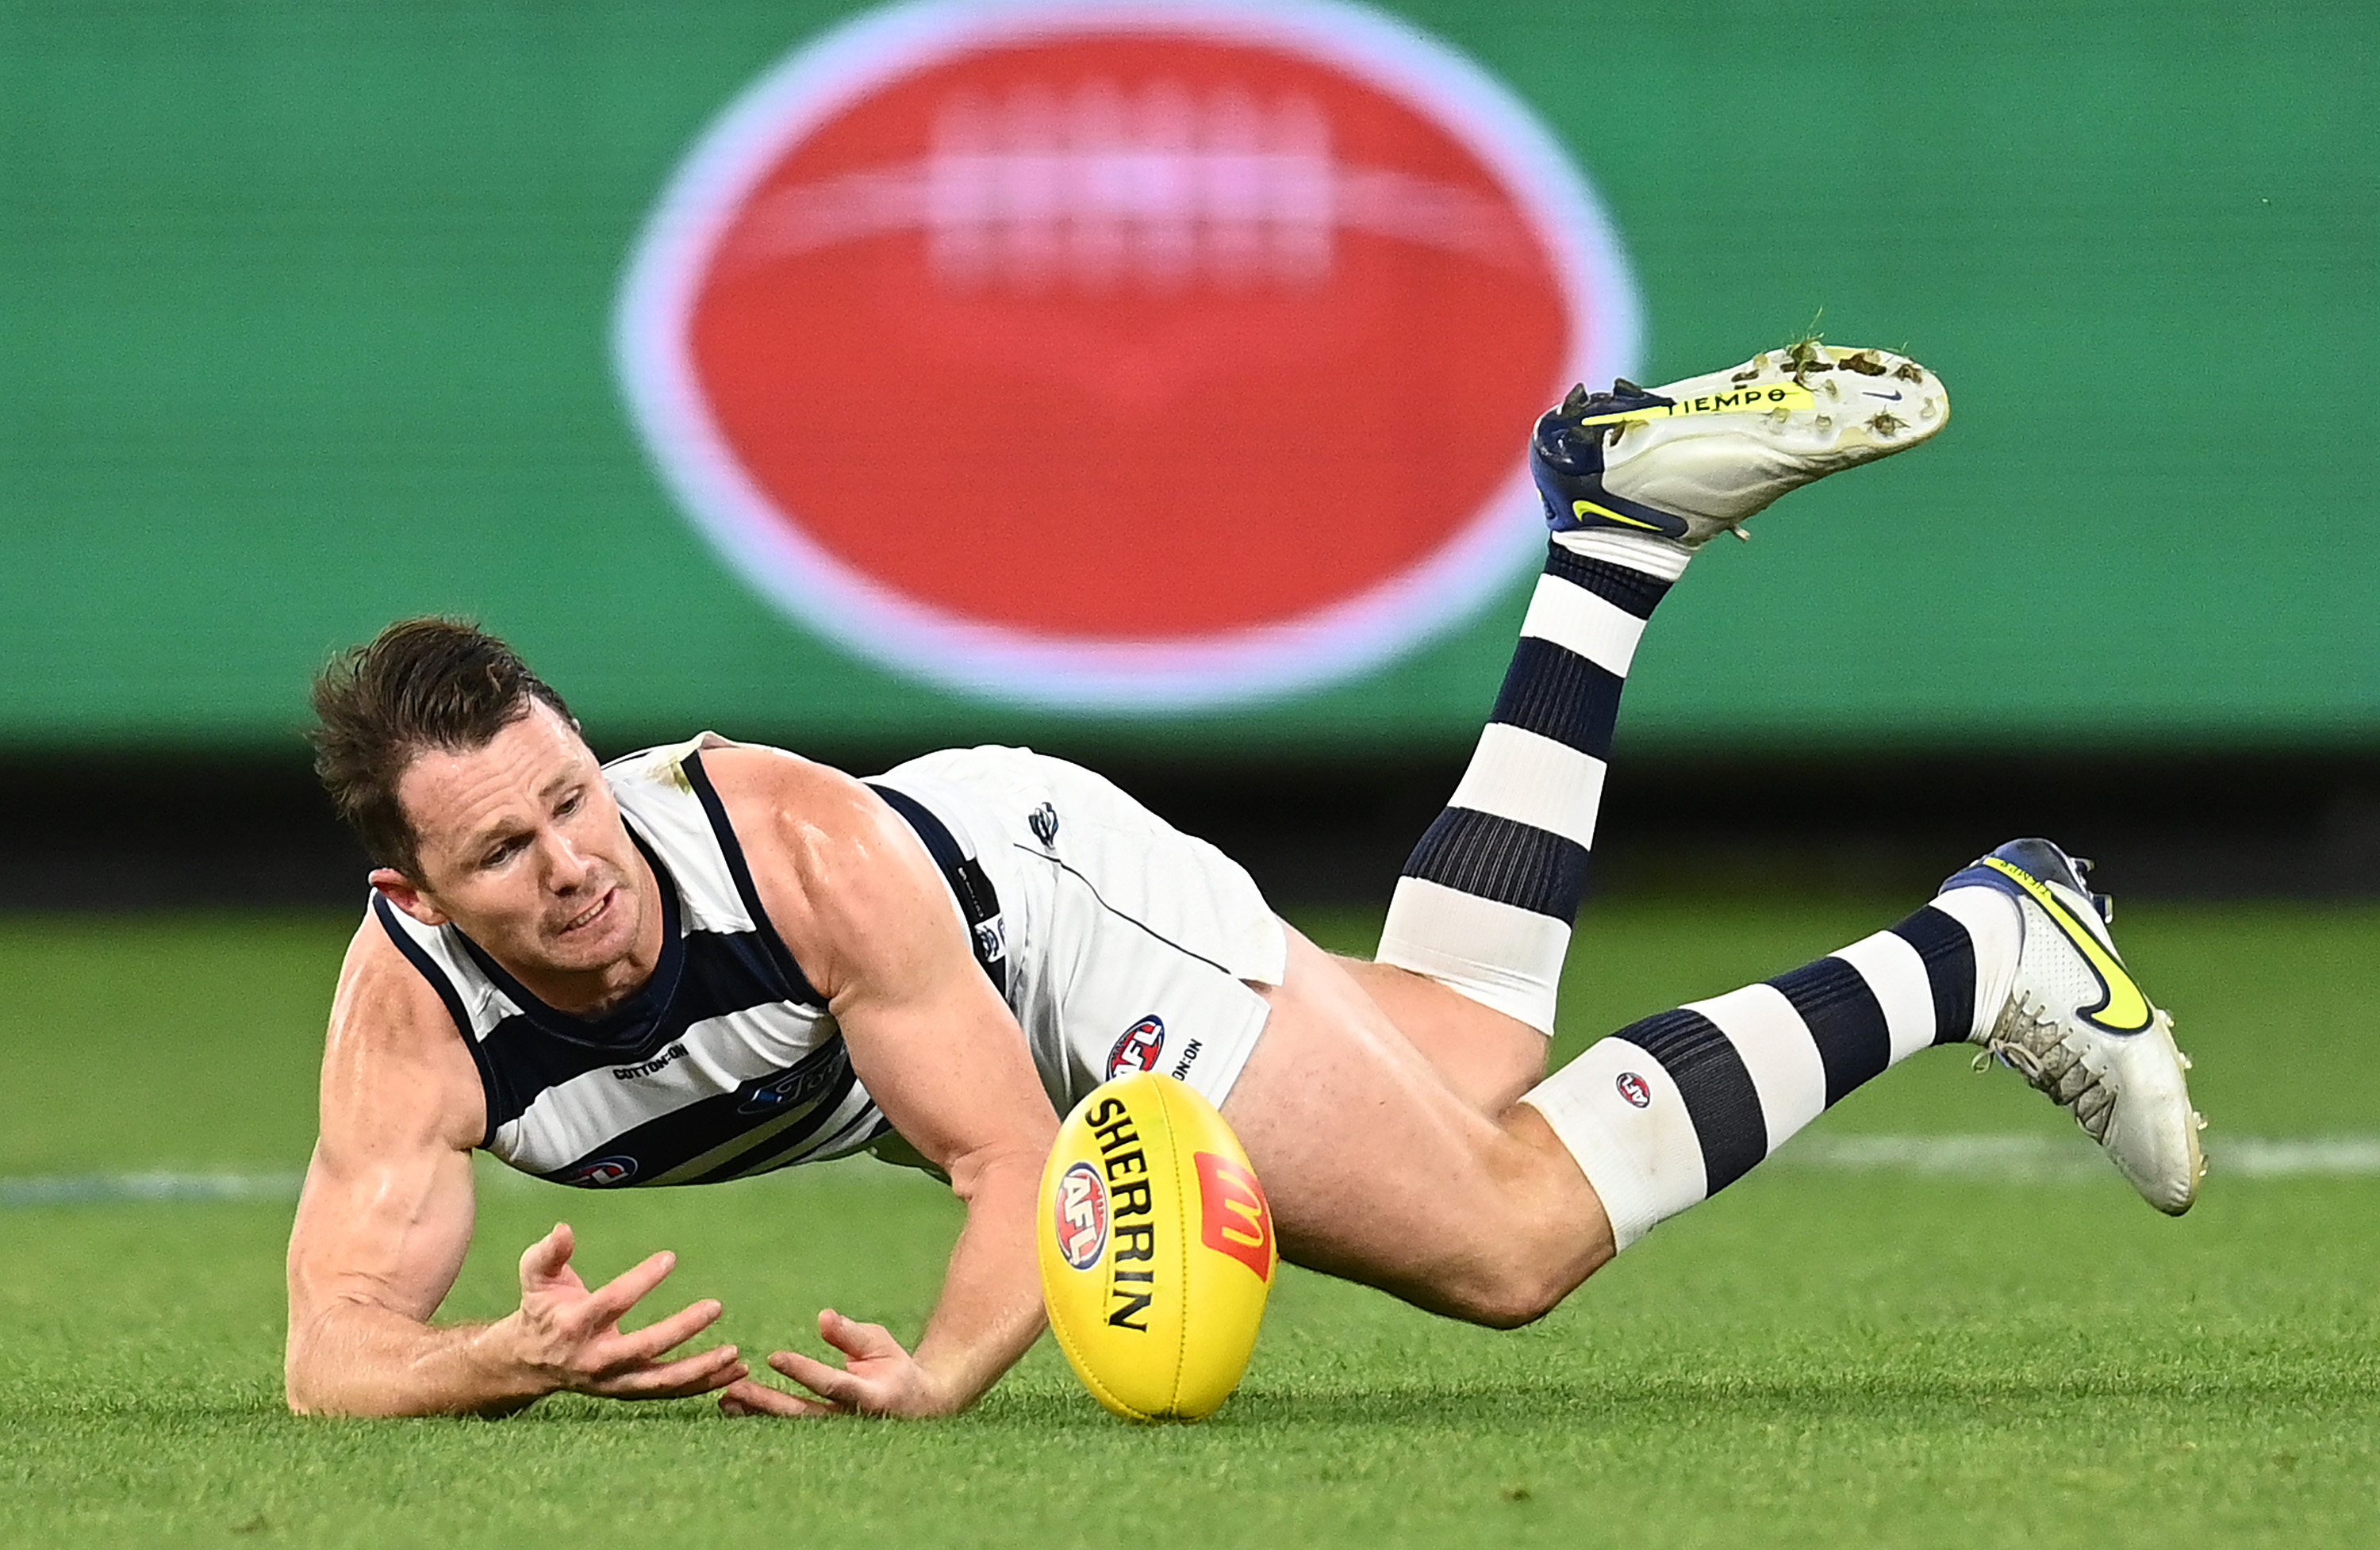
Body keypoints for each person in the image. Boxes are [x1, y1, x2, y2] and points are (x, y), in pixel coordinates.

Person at [282, 341, 2203, 1420]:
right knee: (1461, 1052)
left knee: (1505, 1236)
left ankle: (1978, 943)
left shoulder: (784, 846)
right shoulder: (413, 1022)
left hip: (1036, 911)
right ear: (426, 900)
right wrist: (485, 1358)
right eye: (507, 851)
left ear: (582, 743)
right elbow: (326, 1354)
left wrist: (945, 1370)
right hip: (982, 953)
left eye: (571, 799)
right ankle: (1612, 544)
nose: (573, 865)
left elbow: (1012, 1158)